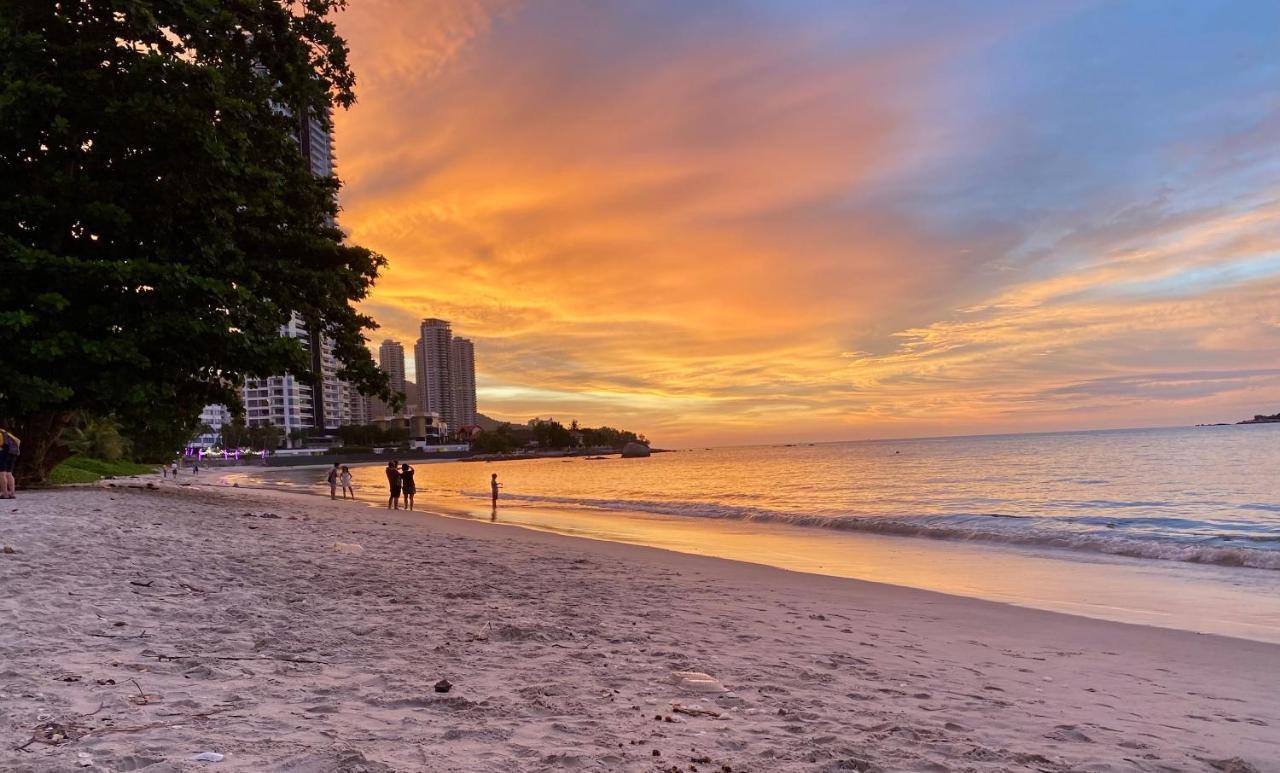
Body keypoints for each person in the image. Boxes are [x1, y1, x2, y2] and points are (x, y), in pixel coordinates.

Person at [0, 428, 19, 499]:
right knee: (9, 473)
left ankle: (5, 494)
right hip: (13, 453)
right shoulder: (6, 433)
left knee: (2, 473)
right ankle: (12, 493)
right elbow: (17, 441)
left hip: (3, 453)